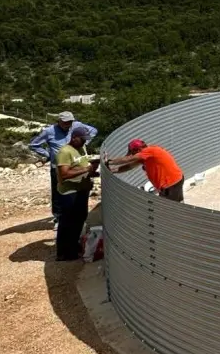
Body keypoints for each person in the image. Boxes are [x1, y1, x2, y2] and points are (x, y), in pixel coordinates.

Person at [28, 111, 98, 228]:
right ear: (59, 121)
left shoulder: (77, 126)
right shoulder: (49, 131)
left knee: (79, 189)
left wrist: (83, 143)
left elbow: (93, 131)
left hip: (76, 163)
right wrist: (48, 155)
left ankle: (78, 217)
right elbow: (34, 144)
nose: (68, 125)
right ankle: (58, 218)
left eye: (70, 122)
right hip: (59, 166)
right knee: (59, 192)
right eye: (65, 122)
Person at [54, 127, 99, 261]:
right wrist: (86, 169)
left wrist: (91, 172)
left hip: (81, 190)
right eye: (82, 139)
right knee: (68, 221)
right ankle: (64, 252)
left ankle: (74, 246)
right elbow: (64, 174)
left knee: (80, 219)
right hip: (69, 192)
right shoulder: (65, 152)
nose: (84, 142)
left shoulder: (81, 148)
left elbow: (80, 166)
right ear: (74, 138)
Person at [106, 139, 185, 202]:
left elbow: (128, 159)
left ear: (138, 150)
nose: (132, 155)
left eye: (132, 153)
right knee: (176, 204)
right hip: (175, 180)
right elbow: (129, 166)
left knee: (167, 209)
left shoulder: (149, 151)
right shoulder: (146, 156)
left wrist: (109, 162)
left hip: (170, 183)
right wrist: (112, 170)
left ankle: (178, 220)